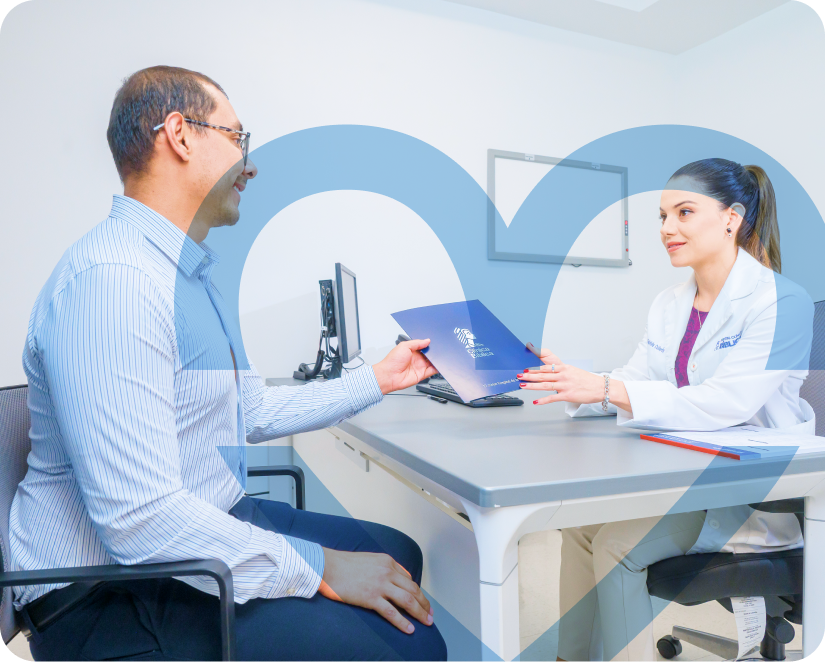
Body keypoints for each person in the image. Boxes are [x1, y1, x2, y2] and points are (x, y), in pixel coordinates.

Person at [10, 66, 447, 662]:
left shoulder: (188, 277)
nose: (252, 161)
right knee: (410, 647)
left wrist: (379, 377)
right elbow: (140, 520)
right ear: (181, 136)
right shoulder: (113, 283)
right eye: (239, 138)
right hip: (107, 594)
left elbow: (249, 410)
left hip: (193, 528)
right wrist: (320, 568)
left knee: (400, 557)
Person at [517, 158, 814, 662]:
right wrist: (578, 386)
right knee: (582, 527)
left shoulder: (782, 302)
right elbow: (636, 377)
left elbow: (727, 403)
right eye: (661, 216)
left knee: (617, 545)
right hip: (693, 475)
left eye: (683, 212)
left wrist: (606, 388)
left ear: (731, 218)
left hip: (756, 495)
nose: (667, 229)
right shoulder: (670, 302)